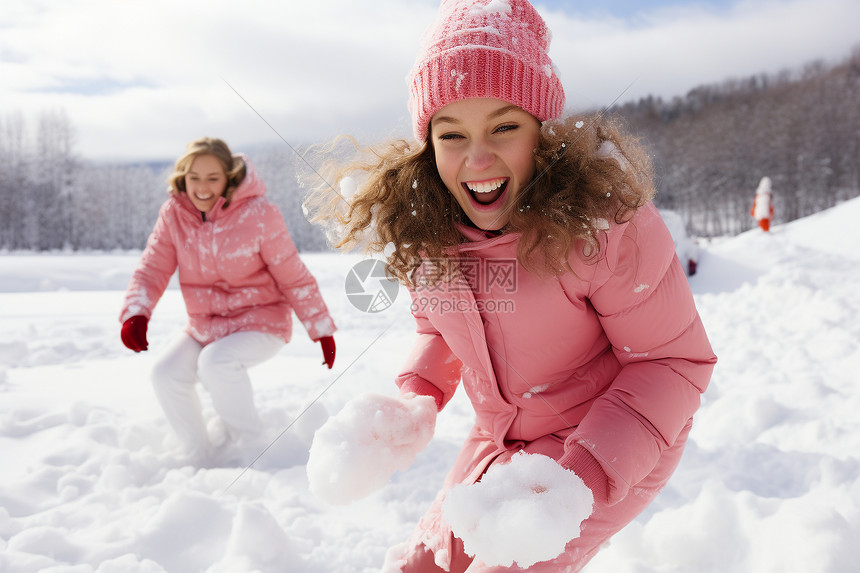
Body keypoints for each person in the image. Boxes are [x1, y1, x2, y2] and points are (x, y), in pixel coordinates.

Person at [305, 1, 716, 571]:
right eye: (452, 135)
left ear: (543, 133)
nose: (478, 157)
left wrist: (579, 478)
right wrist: (413, 400)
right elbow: (442, 327)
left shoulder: (601, 225)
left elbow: (672, 361)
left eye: (503, 126)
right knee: (420, 567)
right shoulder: (431, 232)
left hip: (611, 439)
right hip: (501, 434)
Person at [120, 137, 337, 459]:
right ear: (183, 178)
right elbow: (152, 268)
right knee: (166, 373)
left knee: (216, 363)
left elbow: (292, 275)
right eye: (194, 178)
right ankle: (197, 452)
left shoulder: (260, 214)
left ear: (229, 178)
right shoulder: (174, 214)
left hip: (262, 321)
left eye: (212, 178)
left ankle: (252, 448)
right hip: (205, 324)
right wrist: (136, 313)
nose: (202, 187)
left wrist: (320, 328)